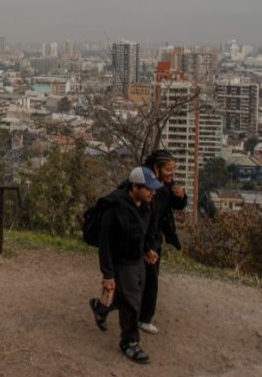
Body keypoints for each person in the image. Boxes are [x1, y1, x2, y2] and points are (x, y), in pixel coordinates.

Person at [90, 165, 163, 364]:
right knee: (132, 303)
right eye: (148, 188)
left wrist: (147, 248)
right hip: (120, 262)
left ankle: (100, 307)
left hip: (137, 259)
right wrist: (108, 274)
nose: (152, 192)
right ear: (134, 187)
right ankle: (129, 342)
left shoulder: (145, 204)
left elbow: (144, 230)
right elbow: (104, 244)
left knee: (131, 297)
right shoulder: (114, 207)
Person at [138, 149, 188, 335]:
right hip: (143, 239)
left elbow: (174, 204)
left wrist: (182, 197)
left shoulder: (165, 184)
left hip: (155, 238)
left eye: (173, 169)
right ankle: (142, 318)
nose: (171, 174)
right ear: (156, 168)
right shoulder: (145, 184)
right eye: (168, 169)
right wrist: (147, 246)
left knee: (145, 279)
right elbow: (143, 219)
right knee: (146, 280)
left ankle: (138, 315)